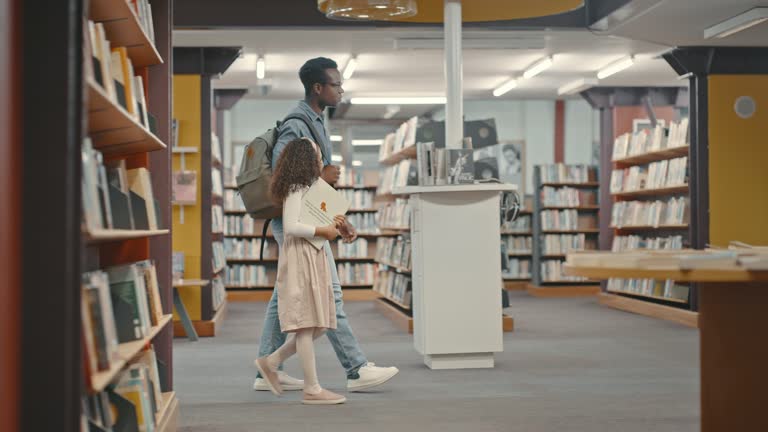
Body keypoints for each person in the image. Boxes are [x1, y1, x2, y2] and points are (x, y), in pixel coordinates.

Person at [253, 57, 399, 393]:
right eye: (336, 84)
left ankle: (267, 370)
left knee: (283, 298)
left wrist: (338, 219)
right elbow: (285, 180)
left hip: (310, 218)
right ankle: (356, 369)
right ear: (318, 88)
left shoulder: (317, 120)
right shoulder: (297, 124)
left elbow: (311, 190)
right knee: (328, 294)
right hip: (295, 223)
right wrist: (322, 175)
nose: (341, 90)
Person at [254, 137, 347, 405]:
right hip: (300, 256)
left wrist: (339, 227)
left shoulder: (311, 188)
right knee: (307, 325)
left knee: (319, 322)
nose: (321, 161)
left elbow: (318, 219)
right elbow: (292, 225)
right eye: (318, 156)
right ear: (306, 159)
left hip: (312, 254)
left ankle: (271, 361)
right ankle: (312, 389)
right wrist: (323, 231)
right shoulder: (296, 187)